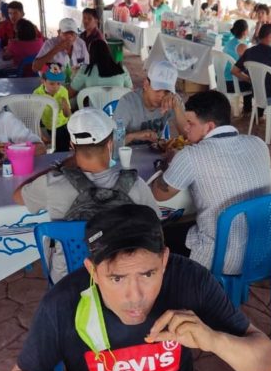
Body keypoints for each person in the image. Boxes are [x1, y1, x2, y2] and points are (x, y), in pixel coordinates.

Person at [6, 203, 271, 371]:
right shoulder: (64, 302)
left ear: (164, 261)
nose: (134, 296)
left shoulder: (191, 280)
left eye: (148, 274)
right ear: (93, 271)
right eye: (116, 278)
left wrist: (214, 340)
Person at [13, 109, 161, 281]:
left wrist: (58, 167)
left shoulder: (52, 184)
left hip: (69, 279)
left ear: (72, 145)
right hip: (120, 281)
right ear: (110, 144)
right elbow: (156, 228)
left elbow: (17, 196)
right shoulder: (136, 185)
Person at [151, 90, 271, 270]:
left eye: (190, 123)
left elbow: (158, 194)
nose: (186, 128)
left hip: (221, 256)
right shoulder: (258, 143)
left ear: (209, 127)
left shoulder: (191, 155)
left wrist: (166, 166)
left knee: (157, 235)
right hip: (261, 251)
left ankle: (183, 284)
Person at [114, 60, 185, 144]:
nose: (162, 96)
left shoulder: (173, 100)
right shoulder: (127, 103)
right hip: (129, 153)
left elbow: (187, 136)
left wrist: (177, 107)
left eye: (167, 91)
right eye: (157, 89)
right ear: (146, 84)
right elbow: (113, 142)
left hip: (157, 153)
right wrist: (134, 136)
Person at [33, 63, 73, 152]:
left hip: (63, 125)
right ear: (43, 81)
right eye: (51, 83)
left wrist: (65, 105)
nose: (56, 87)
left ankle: (62, 160)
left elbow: (67, 115)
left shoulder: (63, 91)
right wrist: (40, 134)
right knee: (55, 146)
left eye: (58, 83)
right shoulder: (37, 94)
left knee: (62, 148)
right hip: (48, 126)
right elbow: (35, 117)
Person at [223, 19, 252, 113]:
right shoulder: (242, 46)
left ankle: (247, 110)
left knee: (248, 78)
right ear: (245, 31)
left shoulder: (229, 42)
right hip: (231, 83)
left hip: (222, 80)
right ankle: (248, 111)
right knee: (253, 82)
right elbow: (248, 65)